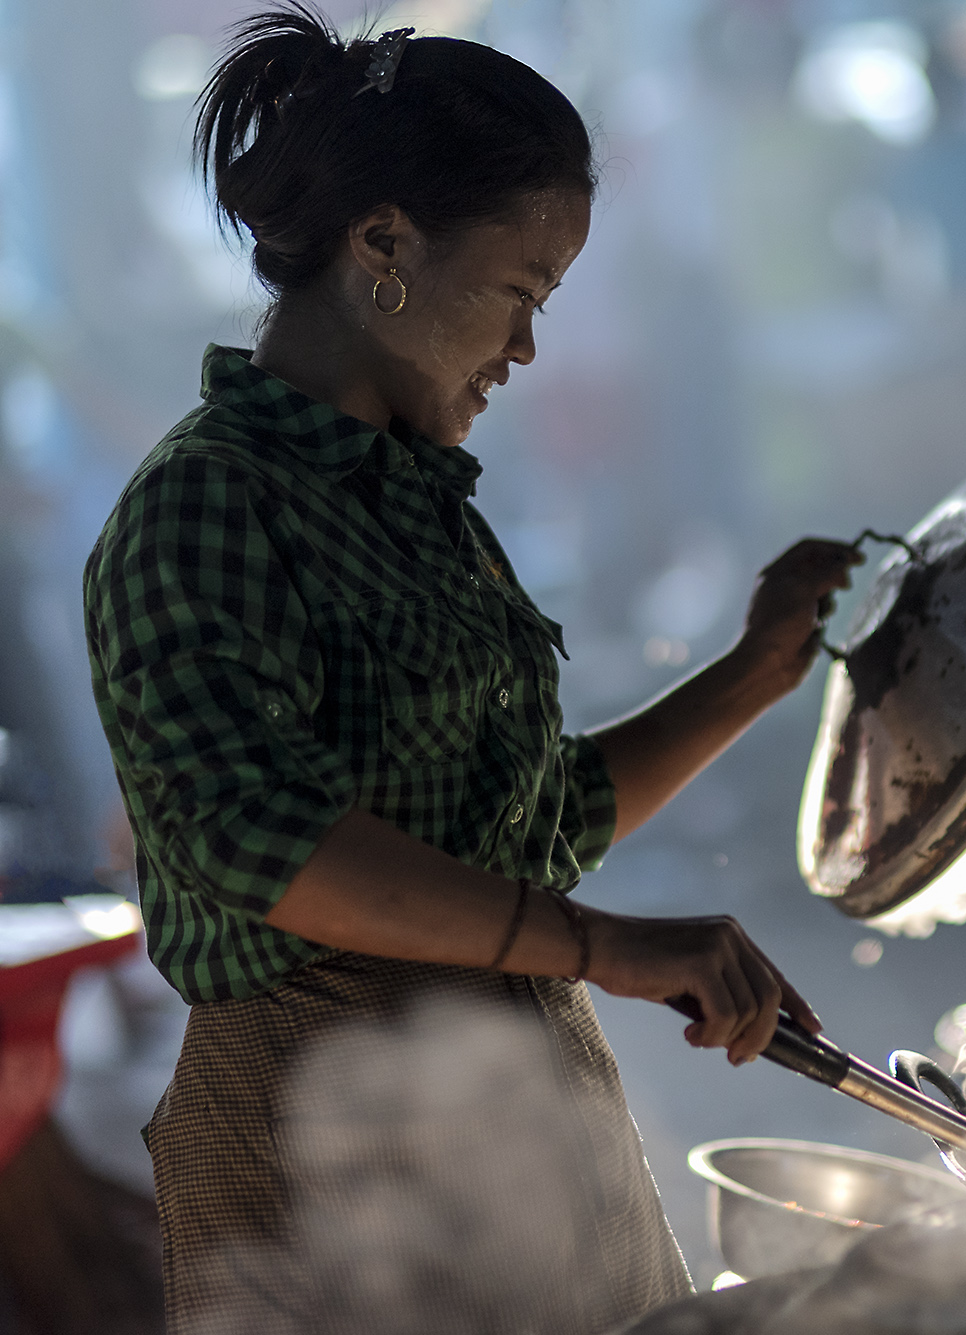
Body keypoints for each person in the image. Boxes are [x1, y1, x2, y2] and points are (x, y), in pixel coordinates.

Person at [82, 9, 858, 1331]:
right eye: (521, 291)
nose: (530, 347)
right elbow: (264, 841)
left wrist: (758, 671)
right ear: (382, 244)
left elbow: (533, 822)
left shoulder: (421, 508)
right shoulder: (202, 509)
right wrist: (605, 946)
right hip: (330, 1147)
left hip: (536, 1115)